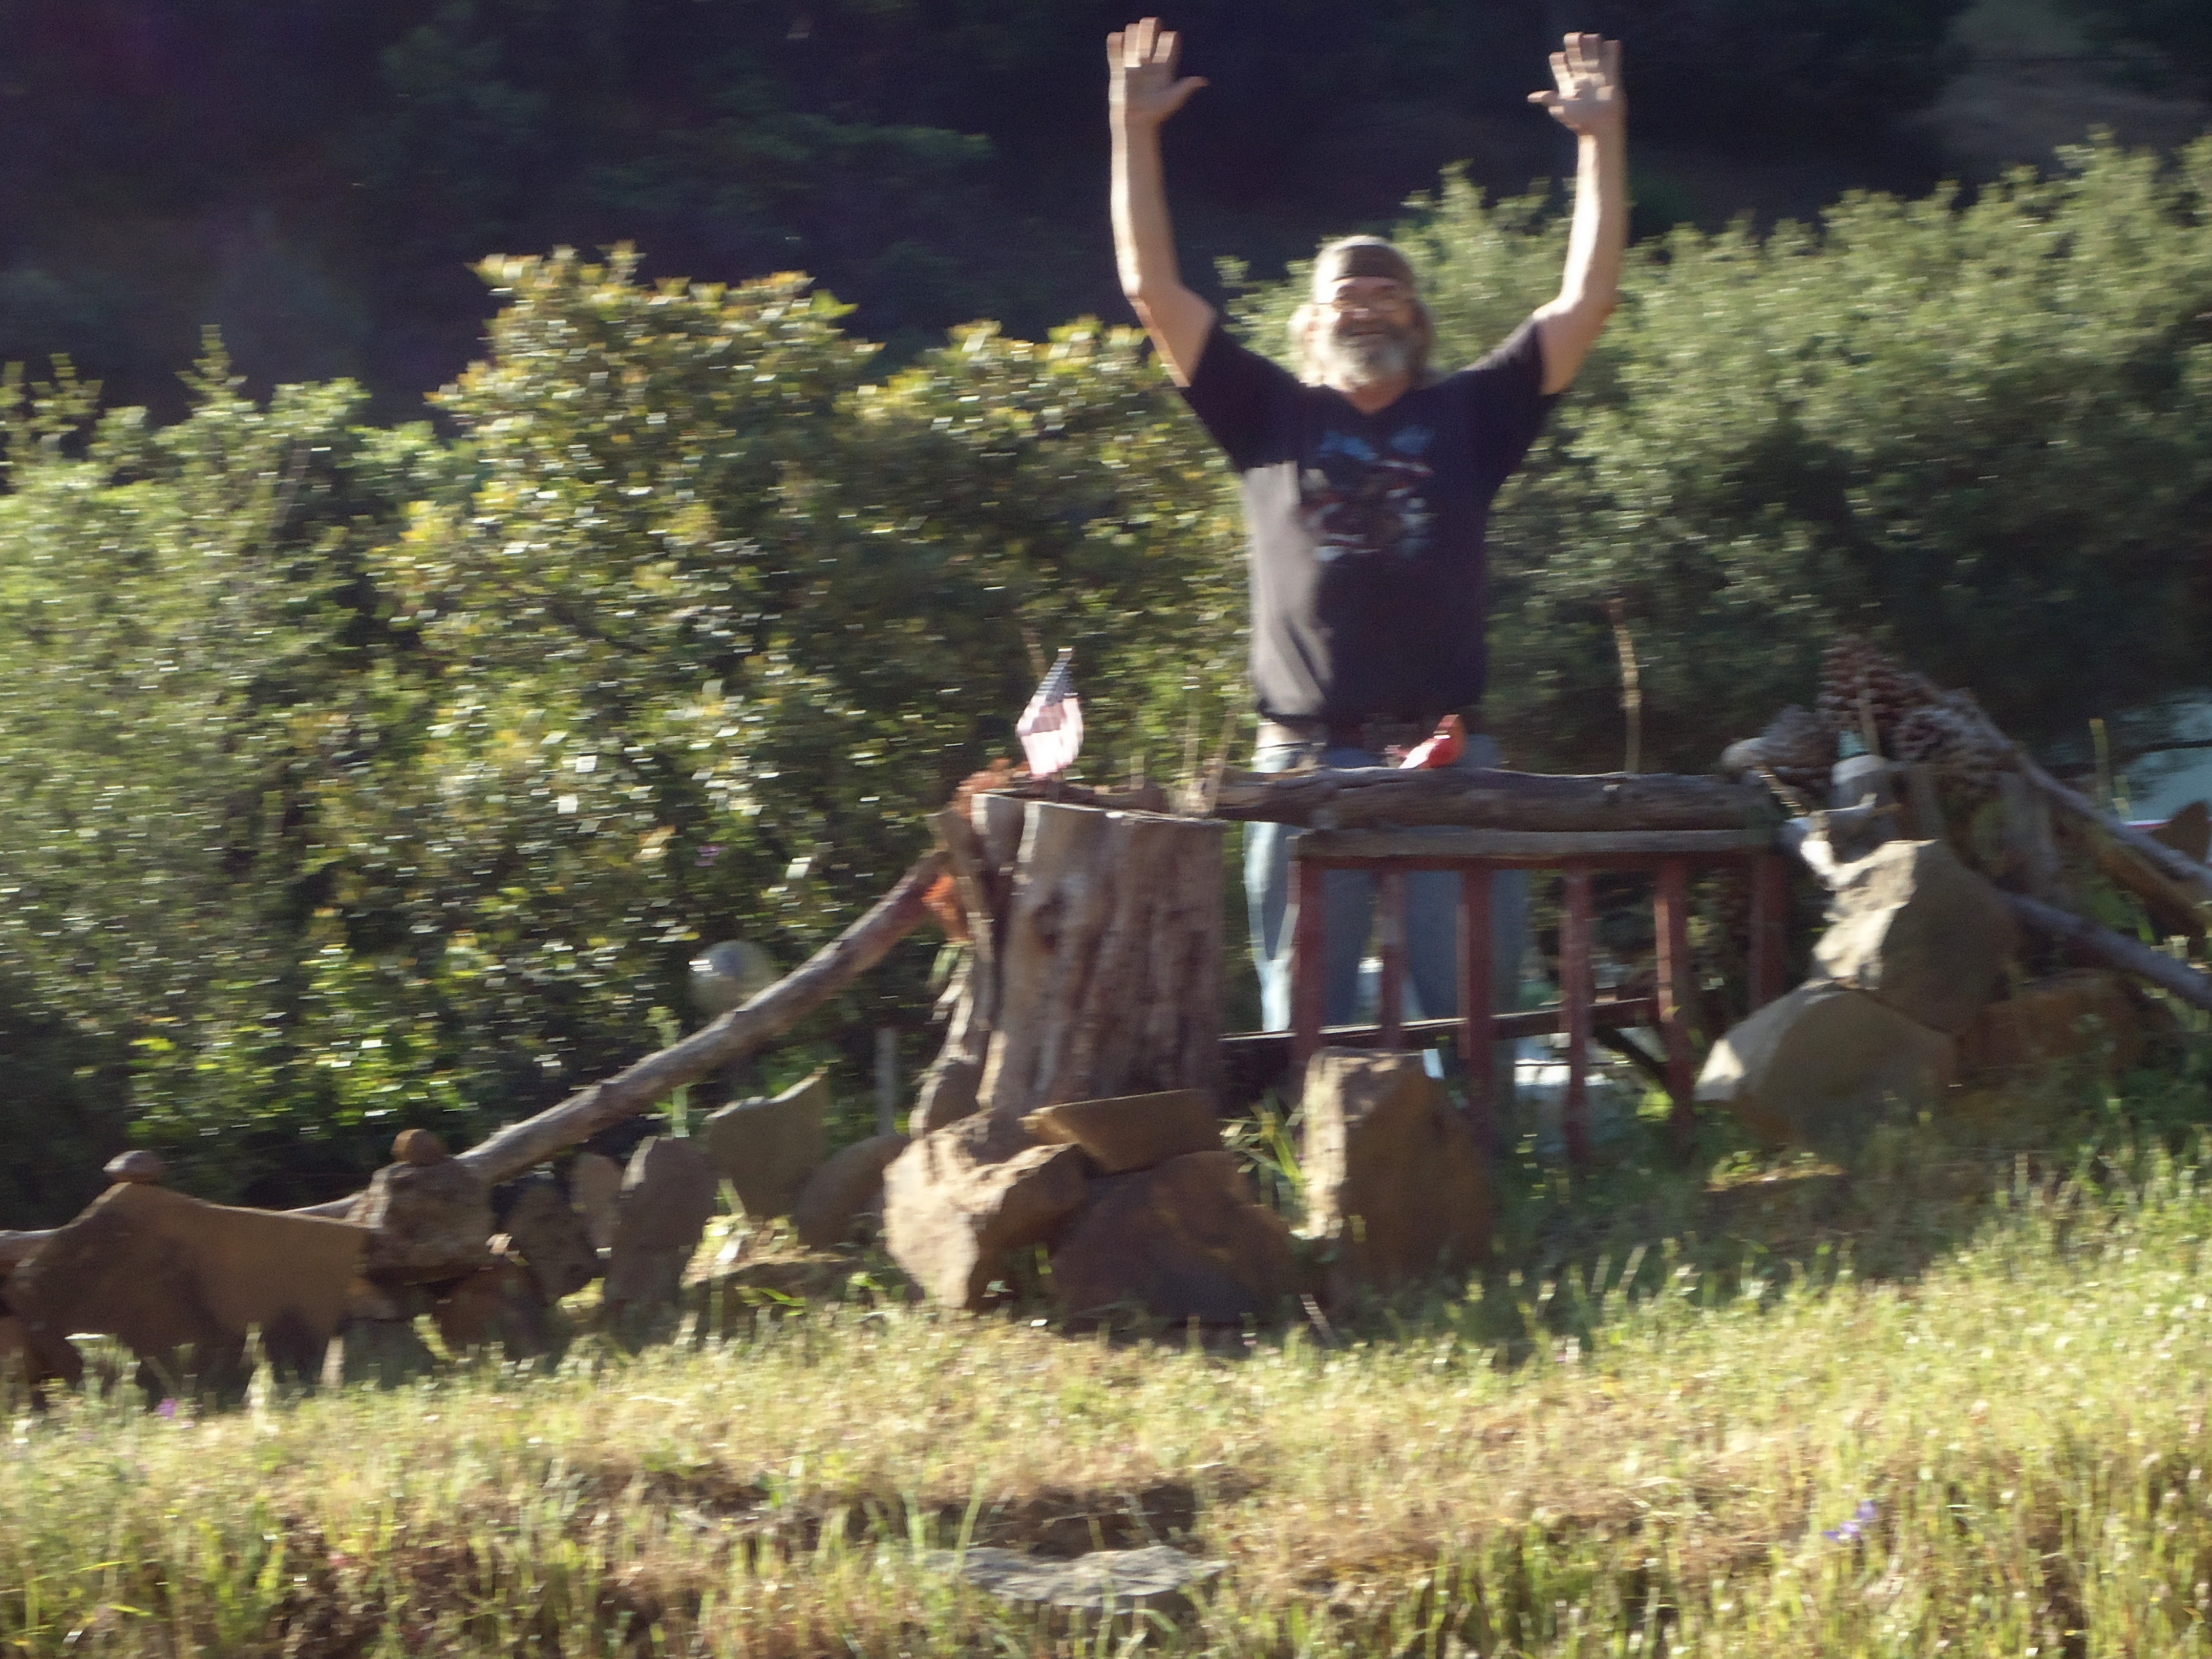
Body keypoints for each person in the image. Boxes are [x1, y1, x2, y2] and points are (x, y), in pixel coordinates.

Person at [1107, 17, 1628, 1040]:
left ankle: (1480, 1144)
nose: (1369, 306)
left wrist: (1601, 141)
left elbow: (1588, 300)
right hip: (1306, 763)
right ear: (1310, 323)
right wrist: (1133, 130)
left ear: (1418, 324)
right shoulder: (1267, 416)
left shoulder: (1472, 416)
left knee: (1476, 1018)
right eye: (1347, 295)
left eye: (1390, 295)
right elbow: (1151, 290)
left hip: (1452, 760)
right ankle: (1320, 1147)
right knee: (1306, 1024)